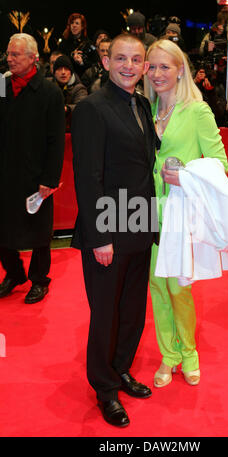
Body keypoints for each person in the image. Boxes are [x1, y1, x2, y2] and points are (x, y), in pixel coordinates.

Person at [71, 34, 157, 427]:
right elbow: (88, 177)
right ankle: (104, 388)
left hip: (140, 220)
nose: (128, 66)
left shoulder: (141, 103)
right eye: (120, 58)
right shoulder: (92, 108)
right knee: (105, 313)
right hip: (110, 225)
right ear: (105, 62)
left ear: (143, 65)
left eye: (136, 59)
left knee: (132, 310)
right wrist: (100, 235)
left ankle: (121, 369)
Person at [145, 39, 228, 388]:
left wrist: (185, 176)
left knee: (179, 289)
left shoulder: (198, 112)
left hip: (180, 216)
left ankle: (189, 354)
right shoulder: (143, 110)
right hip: (145, 214)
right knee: (157, 288)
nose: (158, 73)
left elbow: (220, 163)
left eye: (166, 66)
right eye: (152, 66)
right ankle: (169, 355)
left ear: (181, 70)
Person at [0, 33, 65, 303]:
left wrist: (49, 179)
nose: (9, 59)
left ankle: (39, 279)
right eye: (8, 53)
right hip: (4, 172)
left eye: (15, 54)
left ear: (32, 58)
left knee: (39, 231)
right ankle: (14, 273)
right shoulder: (2, 85)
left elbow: (56, 140)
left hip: (36, 175)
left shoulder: (50, 92)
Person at [50, 55, 88, 131]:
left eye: (66, 69)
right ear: (54, 72)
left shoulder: (79, 88)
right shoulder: (48, 85)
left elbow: (82, 107)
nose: (63, 72)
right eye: (60, 69)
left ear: (71, 73)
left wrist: (67, 108)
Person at [58, 13, 96, 77]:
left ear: (82, 27)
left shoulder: (89, 43)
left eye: (77, 23)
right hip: (66, 76)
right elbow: (59, 60)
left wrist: (81, 63)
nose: (74, 25)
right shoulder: (64, 43)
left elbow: (94, 63)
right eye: (72, 23)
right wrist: (71, 56)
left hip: (83, 78)